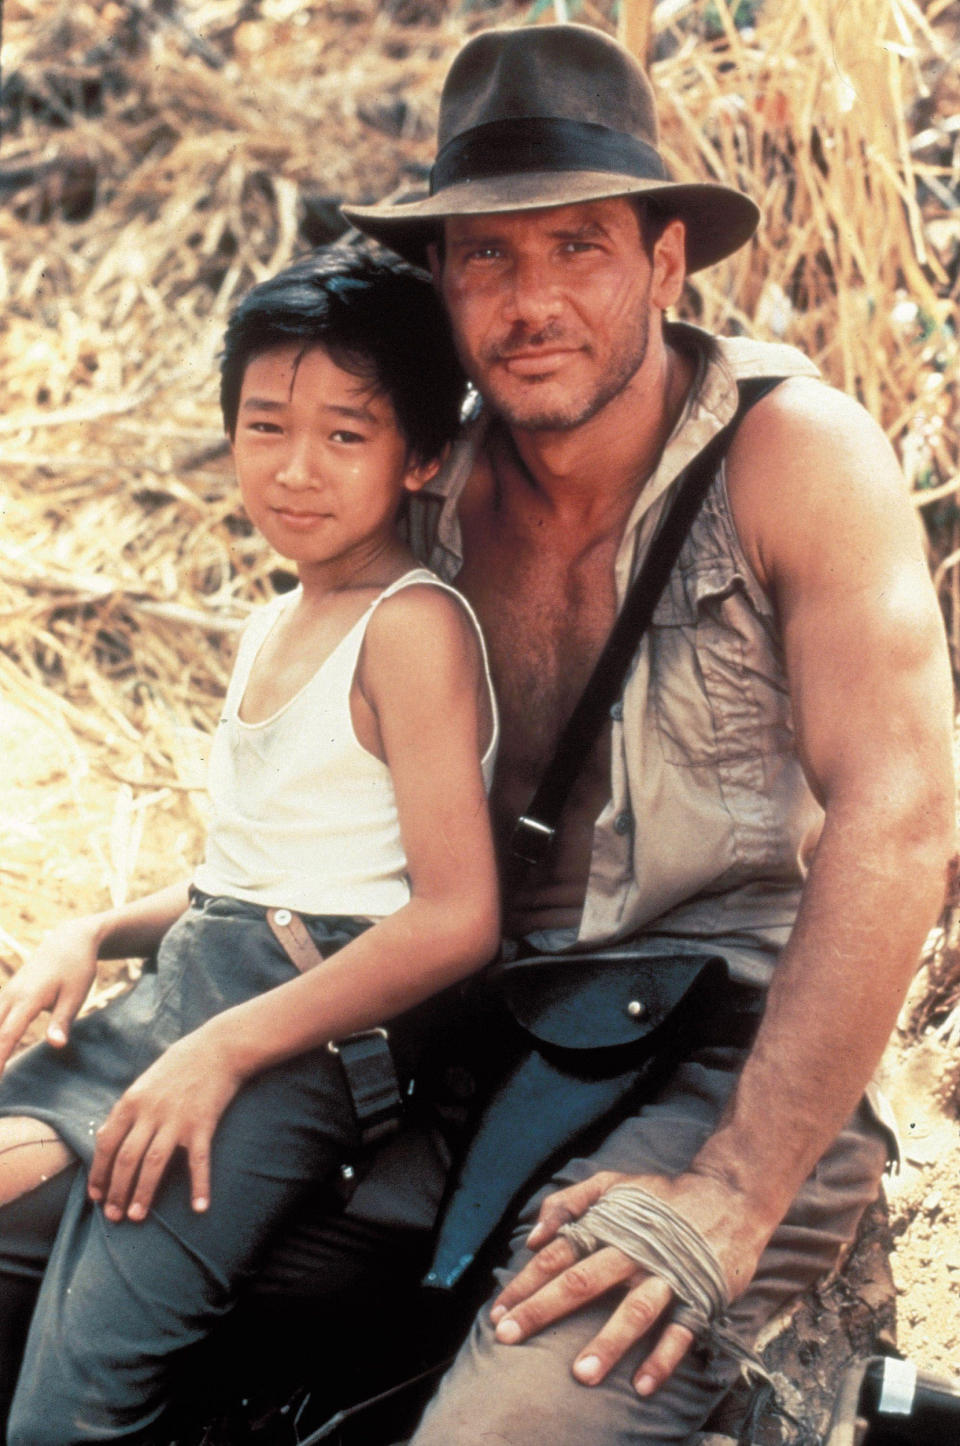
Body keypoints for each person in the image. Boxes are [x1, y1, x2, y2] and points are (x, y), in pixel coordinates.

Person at [300, 21, 951, 1444]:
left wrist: (739, 1183)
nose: (533, 300)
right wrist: (128, 943)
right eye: (488, 255)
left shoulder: (799, 458)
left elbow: (903, 812)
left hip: (731, 1061)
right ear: (442, 282)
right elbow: (337, 798)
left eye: (578, 247)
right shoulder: (432, 492)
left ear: (664, 262)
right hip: (477, 1045)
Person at [0, 246, 500, 1444]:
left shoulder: (411, 628)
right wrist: (93, 930)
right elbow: (255, 872)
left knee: (73, 1402)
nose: (295, 469)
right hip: (187, 992)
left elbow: (455, 915)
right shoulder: (277, 617)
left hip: (300, 1038)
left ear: (422, 455)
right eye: (265, 425)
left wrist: (224, 1052)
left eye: (345, 434)